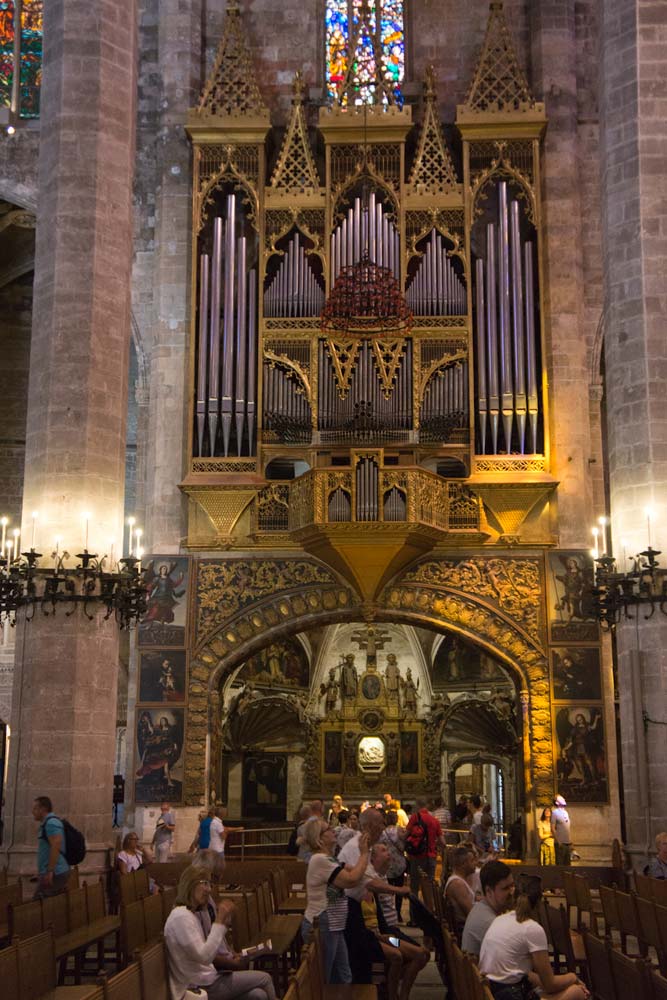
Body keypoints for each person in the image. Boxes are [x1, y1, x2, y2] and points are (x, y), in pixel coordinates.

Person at [164, 865, 276, 1000]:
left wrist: (229, 949)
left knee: (258, 995)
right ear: (190, 884)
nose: (209, 889)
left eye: (209, 884)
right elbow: (205, 957)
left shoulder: (189, 914)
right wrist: (219, 920)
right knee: (265, 978)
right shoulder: (181, 917)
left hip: (210, 979)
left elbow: (205, 955)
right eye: (204, 883)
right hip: (199, 987)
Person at [479, 875, 589, 1000]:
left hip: (493, 991)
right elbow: (550, 985)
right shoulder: (532, 929)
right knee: (577, 993)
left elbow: (528, 975)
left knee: (568, 989)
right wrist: (573, 977)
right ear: (539, 903)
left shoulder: (500, 919)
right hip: (510, 995)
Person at [301, 820, 370, 983]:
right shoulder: (320, 860)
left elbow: (354, 872)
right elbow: (351, 880)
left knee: (343, 976)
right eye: (328, 829)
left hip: (334, 925)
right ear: (319, 838)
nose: (333, 830)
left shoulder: (329, 859)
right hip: (322, 923)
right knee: (324, 979)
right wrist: (364, 854)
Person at [362, 843, 429, 1000]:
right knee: (399, 956)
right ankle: (393, 995)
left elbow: (381, 922)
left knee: (421, 954)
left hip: (387, 937)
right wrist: (381, 936)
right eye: (384, 851)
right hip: (375, 939)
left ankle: (401, 994)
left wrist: (385, 935)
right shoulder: (360, 890)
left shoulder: (376, 885)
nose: (388, 854)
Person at [462, 860, 514, 958]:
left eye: (512, 886)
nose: (511, 892)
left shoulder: (480, 907)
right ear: (489, 891)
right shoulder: (490, 923)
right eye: (505, 888)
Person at [405, 797, 444, 926]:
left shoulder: (415, 818)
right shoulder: (435, 821)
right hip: (431, 857)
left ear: (417, 806)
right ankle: (430, 917)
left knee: (414, 888)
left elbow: (406, 835)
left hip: (417, 857)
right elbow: (442, 842)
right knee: (429, 887)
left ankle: (414, 919)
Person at [32, 796, 70, 898]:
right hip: (54, 871)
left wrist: (50, 871)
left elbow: (56, 845)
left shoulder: (51, 823)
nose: (32, 811)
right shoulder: (48, 823)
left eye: (35, 808)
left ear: (43, 809)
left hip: (55, 872)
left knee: (37, 907)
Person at [444, 845, 477, 933]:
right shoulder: (457, 884)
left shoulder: (460, 881)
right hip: (465, 930)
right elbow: (471, 913)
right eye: (472, 860)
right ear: (463, 864)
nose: (476, 863)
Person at [381, 809, 407, 921]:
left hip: (387, 863)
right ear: (396, 819)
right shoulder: (400, 830)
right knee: (399, 889)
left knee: (389, 889)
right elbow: (405, 843)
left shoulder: (382, 832)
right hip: (400, 863)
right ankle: (398, 913)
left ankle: (389, 912)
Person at [551, 795, 572, 866]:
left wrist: (570, 840)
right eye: (561, 798)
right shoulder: (555, 813)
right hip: (560, 843)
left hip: (567, 842)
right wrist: (558, 841)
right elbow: (553, 828)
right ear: (556, 802)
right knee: (560, 864)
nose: (564, 799)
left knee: (567, 864)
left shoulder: (566, 812)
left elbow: (567, 828)